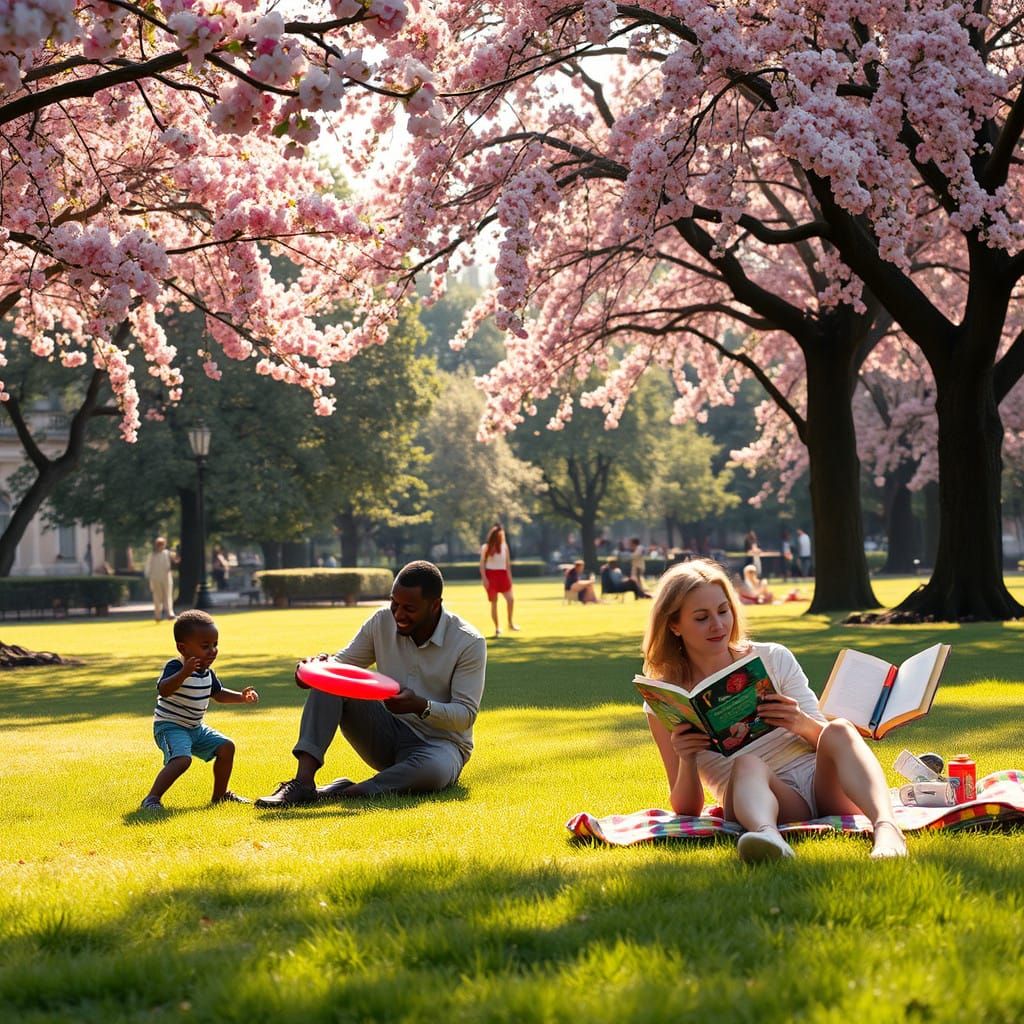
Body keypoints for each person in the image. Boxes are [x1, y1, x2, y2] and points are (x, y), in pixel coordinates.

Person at [641, 559, 907, 862]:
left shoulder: (773, 657)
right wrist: (687, 760)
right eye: (701, 618)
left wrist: (799, 722)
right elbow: (686, 810)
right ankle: (768, 838)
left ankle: (887, 829)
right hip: (758, 798)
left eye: (723, 611)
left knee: (840, 728)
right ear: (674, 625)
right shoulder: (664, 701)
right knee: (746, 763)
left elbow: (828, 743)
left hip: (821, 785)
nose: (718, 625)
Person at [255, 561, 487, 807]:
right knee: (331, 681)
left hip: (440, 745)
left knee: (433, 772)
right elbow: (341, 665)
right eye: (394, 604)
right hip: (386, 731)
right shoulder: (381, 621)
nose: (398, 615)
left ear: (435, 605)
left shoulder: (468, 642)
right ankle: (302, 784)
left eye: (409, 608)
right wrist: (313, 671)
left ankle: (347, 792)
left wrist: (419, 706)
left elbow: (465, 716)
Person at [141, 610, 259, 809]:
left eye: (215, 645)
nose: (212, 650)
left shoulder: (207, 673)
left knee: (226, 746)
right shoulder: (175, 666)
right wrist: (184, 673)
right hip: (170, 726)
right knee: (181, 760)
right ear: (183, 648)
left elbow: (218, 693)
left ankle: (220, 796)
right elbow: (164, 689)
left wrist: (241, 697)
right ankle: (151, 799)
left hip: (196, 728)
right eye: (205, 646)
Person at [479, 523, 518, 636]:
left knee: (510, 600)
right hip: (491, 576)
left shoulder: (504, 547)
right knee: (494, 603)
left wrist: (510, 579)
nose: (502, 537)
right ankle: (497, 628)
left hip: (503, 575)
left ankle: (510, 623)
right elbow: (482, 565)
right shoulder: (486, 547)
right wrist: (484, 579)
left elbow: (507, 565)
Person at [143, 536, 177, 623]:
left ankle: (170, 613)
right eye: (159, 545)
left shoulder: (167, 553)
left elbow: (173, 563)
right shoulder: (152, 555)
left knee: (168, 596)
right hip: (155, 578)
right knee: (157, 597)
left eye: (162, 544)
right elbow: (148, 566)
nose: (161, 546)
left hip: (166, 577)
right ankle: (158, 615)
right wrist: (147, 575)